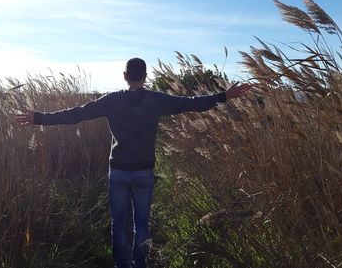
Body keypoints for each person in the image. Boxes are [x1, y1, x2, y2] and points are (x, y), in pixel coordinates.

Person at [15, 57, 252, 268]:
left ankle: (121, 265)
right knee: (142, 223)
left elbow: (76, 114)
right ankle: (140, 264)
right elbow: (190, 103)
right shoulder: (157, 100)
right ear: (145, 77)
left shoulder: (111, 101)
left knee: (118, 222)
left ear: (125, 76)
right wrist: (223, 96)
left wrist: (39, 118)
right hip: (144, 172)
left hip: (117, 171)